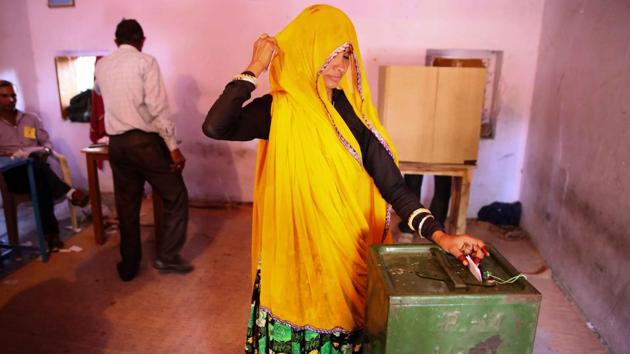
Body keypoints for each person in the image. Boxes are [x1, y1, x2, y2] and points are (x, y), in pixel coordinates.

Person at [203, 5, 489, 353]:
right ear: (309, 51)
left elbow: (395, 187)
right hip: (293, 257)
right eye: (332, 54)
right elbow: (216, 126)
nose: (340, 65)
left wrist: (441, 235)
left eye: (347, 55)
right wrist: (256, 68)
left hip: (343, 260)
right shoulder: (278, 110)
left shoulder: (355, 116)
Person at [94, 19, 192, 282]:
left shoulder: (101, 64)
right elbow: (157, 107)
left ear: (116, 42)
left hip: (117, 145)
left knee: (127, 206)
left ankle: (129, 265)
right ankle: (168, 256)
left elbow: (99, 91)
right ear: (142, 40)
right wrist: (172, 148)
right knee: (176, 195)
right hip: (144, 143)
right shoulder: (145, 62)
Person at [0, 80, 89, 252]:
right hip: (12, 174)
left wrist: (46, 149)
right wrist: (12, 155)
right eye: (5, 96)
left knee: (39, 177)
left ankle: (51, 237)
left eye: (13, 95)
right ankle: (69, 194)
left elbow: (45, 141)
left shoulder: (30, 118)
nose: (11, 100)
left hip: (36, 169)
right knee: (38, 170)